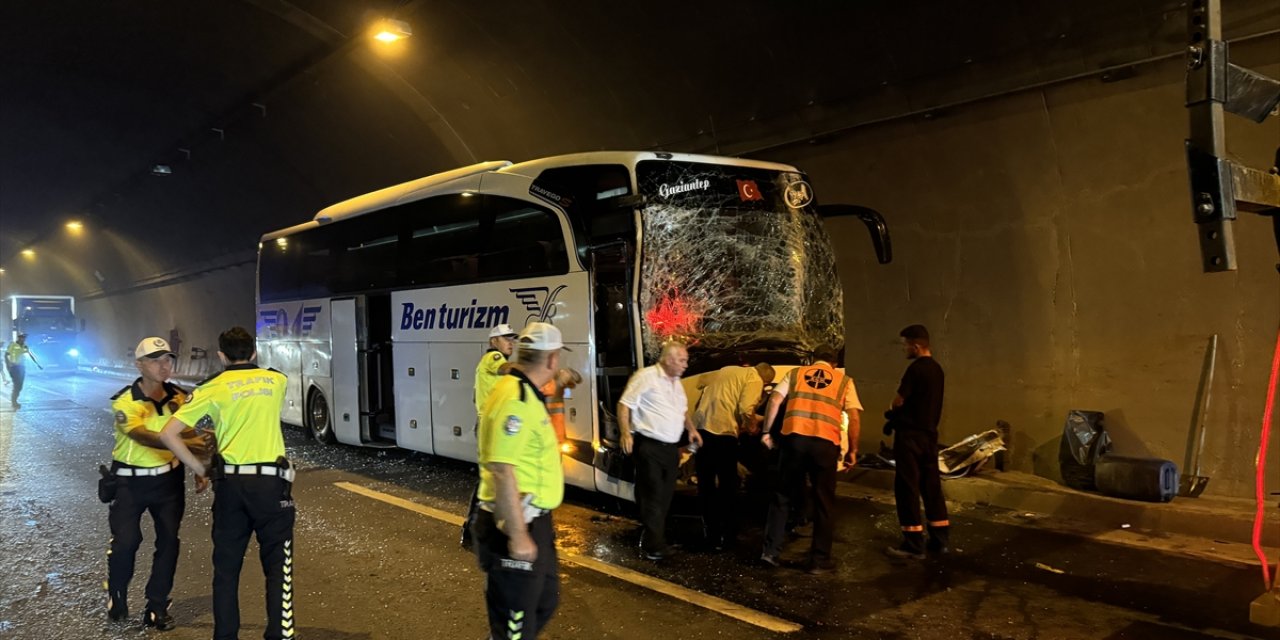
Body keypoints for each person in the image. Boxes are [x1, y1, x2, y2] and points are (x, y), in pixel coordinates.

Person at [158, 327, 294, 640]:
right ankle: (281, 634)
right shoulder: (277, 380)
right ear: (255, 352)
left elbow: (168, 433)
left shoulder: (211, 388)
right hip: (272, 486)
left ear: (221, 356)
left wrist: (201, 468)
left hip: (231, 485)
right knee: (278, 568)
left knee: (226, 571)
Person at [105, 337, 213, 629]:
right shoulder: (126, 400)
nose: (164, 366)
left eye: (167, 360)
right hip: (129, 481)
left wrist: (199, 468)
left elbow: (199, 431)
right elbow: (145, 436)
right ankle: (117, 592)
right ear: (139, 365)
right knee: (127, 542)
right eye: (155, 360)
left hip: (168, 481)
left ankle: (157, 605)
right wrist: (188, 444)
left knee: (169, 542)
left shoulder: (180, 397)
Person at [472, 322, 566, 640]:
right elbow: (502, 468)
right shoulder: (516, 399)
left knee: (545, 600)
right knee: (515, 626)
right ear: (552, 360)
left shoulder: (525, 391)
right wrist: (518, 535)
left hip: (534, 518)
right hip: (512, 522)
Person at [760, 346, 861, 574]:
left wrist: (766, 433)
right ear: (834, 363)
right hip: (825, 445)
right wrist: (853, 450)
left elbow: (774, 400)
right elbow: (853, 416)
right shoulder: (844, 381)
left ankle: (770, 552)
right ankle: (819, 560)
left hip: (794, 441)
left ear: (812, 360)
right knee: (824, 501)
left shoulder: (795, 374)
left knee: (782, 496)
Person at [618, 341, 702, 561]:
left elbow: (682, 411)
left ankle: (653, 536)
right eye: (682, 360)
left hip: (670, 449)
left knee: (665, 496)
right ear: (669, 359)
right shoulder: (646, 376)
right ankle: (654, 545)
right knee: (653, 494)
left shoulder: (676, 383)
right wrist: (625, 432)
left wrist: (691, 430)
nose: (686, 364)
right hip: (649, 446)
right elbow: (624, 404)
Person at [691, 362, 774, 551]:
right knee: (728, 485)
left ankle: (710, 535)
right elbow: (746, 408)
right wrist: (752, 426)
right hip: (722, 432)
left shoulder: (726, 369)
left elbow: (703, 394)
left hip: (701, 429)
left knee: (706, 485)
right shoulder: (754, 378)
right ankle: (728, 535)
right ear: (765, 379)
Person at [884, 324, 949, 560]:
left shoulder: (915, 370)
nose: (904, 350)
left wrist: (893, 410)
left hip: (909, 437)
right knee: (931, 487)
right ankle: (940, 539)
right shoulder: (937, 370)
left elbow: (899, 401)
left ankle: (913, 543)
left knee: (907, 487)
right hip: (930, 436)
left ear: (916, 345)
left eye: (905, 345)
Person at [463, 323, 519, 549]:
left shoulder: (498, 362)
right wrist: (533, 367)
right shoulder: (493, 358)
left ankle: (482, 529)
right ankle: (473, 529)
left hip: (496, 426)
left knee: (497, 478)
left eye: (512, 339)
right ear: (493, 341)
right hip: (491, 426)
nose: (510, 342)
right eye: (505, 338)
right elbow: (507, 369)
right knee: (491, 478)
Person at [541, 367, 583, 445]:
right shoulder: (542, 381)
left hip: (556, 436)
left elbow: (578, 379)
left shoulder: (555, 377)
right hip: (547, 436)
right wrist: (561, 381)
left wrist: (567, 375)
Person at [5, 332, 31, 408]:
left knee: (20, 386)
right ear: (19, 338)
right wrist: (8, 365)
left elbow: (27, 354)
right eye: (22, 337)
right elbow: (6, 355)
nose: (23, 339)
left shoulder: (25, 346)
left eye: (24, 338)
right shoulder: (12, 345)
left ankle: (15, 400)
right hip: (14, 368)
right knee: (17, 385)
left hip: (22, 367)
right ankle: (14, 402)